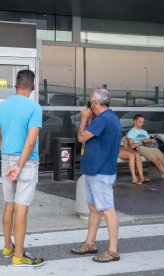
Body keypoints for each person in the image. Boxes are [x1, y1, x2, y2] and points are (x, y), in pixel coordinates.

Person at [0, 69, 44, 267]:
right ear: (32, 87)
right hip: (26, 162)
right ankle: (19, 255)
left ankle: (7, 246)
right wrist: (20, 164)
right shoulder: (34, 108)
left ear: (15, 85)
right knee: (21, 207)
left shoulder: (2, 107)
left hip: (6, 158)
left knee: (9, 203)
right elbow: (31, 141)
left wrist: (9, 155)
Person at [71, 88, 122, 263]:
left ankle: (113, 250)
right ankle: (90, 243)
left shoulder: (103, 119)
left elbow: (81, 137)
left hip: (101, 172)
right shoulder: (107, 118)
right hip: (95, 171)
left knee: (108, 210)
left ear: (94, 103)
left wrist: (84, 118)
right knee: (94, 208)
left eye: (90, 101)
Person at [127, 114, 164, 184]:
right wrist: (143, 141)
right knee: (157, 161)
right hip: (141, 147)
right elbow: (132, 146)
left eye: (143, 122)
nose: (142, 124)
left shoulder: (144, 131)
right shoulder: (131, 132)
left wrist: (152, 140)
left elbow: (148, 140)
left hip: (150, 147)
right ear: (134, 121)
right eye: (140, 122)